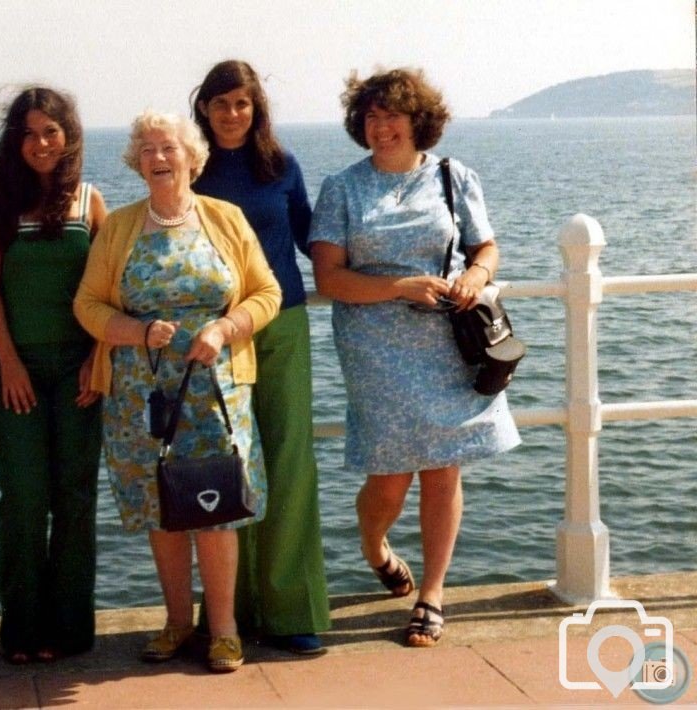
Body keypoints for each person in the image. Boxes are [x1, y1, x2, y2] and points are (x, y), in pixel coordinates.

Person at [309, 68, 520, 647]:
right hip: (374, 344)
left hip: (445, 344)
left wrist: (476, 276)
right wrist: (399, 286)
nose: (381, 127)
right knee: (390, 480)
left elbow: (486, 245)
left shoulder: (455, 176)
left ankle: (431, 594)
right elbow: (328, 277)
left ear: (417, 120)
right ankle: (374, 545)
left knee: (443, 468)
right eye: (371, 117)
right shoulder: (342, 188)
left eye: (392, 115)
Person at [73, 110, 281, 673]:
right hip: (142, 395)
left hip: (215, 390)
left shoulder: (226, 218)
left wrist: (222, 329)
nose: (159, 159)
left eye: (168, 149)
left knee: (214, 508)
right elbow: (87, 305)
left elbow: (266, 293)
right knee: (162, 507)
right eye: (147, 151)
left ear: (192, 157)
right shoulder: (118, 227)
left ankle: (224, 632)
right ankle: (175, 623)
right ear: (136, 162)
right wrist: (136, 331)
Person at [190, 60, 330, 655]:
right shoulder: (192, 168)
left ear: (256, 107)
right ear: (204, 109)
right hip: (217, 331)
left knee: (289, 460)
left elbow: (311, 238)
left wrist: (386, 283)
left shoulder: (282, 166)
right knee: (229, 465)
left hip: (283, 322)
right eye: (220, 104)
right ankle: (230, 614)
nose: (231, 114)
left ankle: (290, 608)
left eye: (242, 103)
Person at [0, 86, 106, 664]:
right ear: (15, 141)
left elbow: (108, 292)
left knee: (75, 499)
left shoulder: (90, 203)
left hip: (79, 373)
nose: (40, 143)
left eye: (50, 131)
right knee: (24, 500)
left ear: (68, 135)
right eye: (28, 133)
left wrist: (97, 358)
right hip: (19, 374)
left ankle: (71, 629)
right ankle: (22, 631)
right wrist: (8, 362)